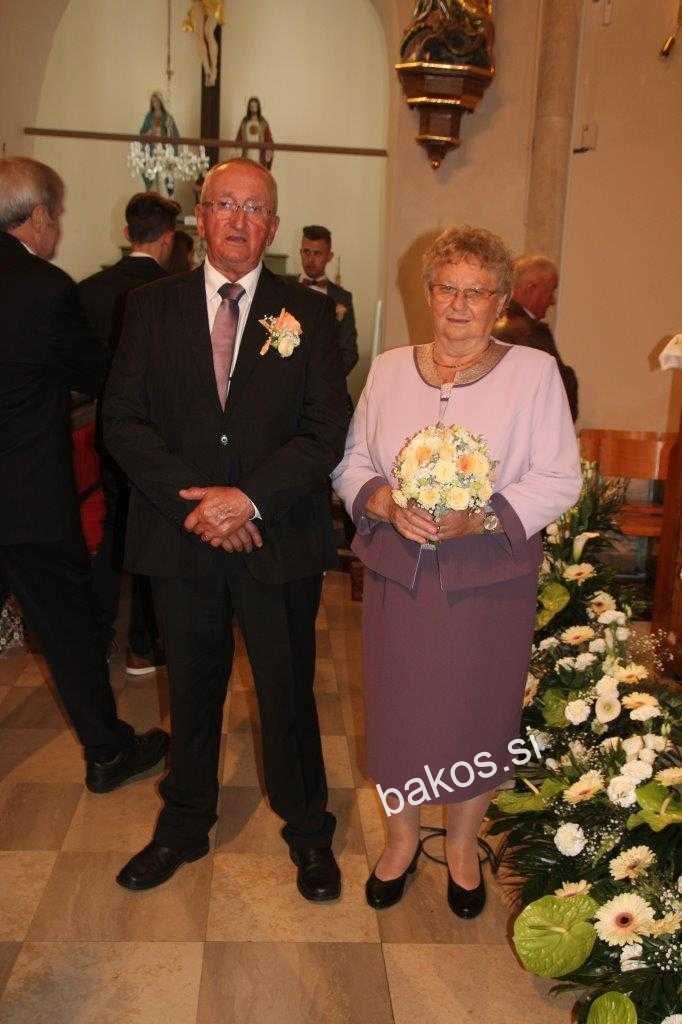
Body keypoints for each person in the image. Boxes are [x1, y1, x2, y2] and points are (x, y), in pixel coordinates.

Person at [103, 158, 350, 895]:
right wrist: (200, 506)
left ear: (273, 227)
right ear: (200, 216)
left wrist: (247, 499)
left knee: (287, 690)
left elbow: (326, 428)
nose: (239, 220)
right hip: (180, 536)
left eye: (255, 209)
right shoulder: (149, 307)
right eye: (225, 205)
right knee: (191, 686)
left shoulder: (309, 314)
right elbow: (124, 421)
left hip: (278, 536)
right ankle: (184, 823)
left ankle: (308, 828)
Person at [332, 226, 581, 918]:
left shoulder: (534, 374)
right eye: (448, 288)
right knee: (398, 712)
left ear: (501, 301)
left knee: (477, 712)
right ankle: (401, 841)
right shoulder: (388, 369)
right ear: (428, 293)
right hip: (400, 575)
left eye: (478, 291)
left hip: (487, 579)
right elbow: (351, 461)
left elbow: (561, 476)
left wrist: (484, 517)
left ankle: (465, 846)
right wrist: (382, 501)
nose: (460, 305)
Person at [0, 156, 168, 791]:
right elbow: (97, 374)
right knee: (68, 628)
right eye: (58, 215)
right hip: (26, 497)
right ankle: (107, 751)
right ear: (39, 215)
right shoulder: (44, 288)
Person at [79, 192, 180, 675]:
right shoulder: (174, 293)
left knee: (113, 527)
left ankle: (97, 636)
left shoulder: (89, 290)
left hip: (107, 428)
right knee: (152, 533)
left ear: (126, 234)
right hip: (159, 437)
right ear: (168, 239)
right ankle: (144, 642)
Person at [494, 253, 579, 421]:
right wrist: (569, 376)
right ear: (531, 288)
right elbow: (555, 389)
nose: (552, 301)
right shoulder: (528, 332)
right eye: (550, 291)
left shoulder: (491, 322)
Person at [299, 225, 359, 377]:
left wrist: (328, 379)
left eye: (317, 253)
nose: (310, 259)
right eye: (306, 252)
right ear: (300, 252)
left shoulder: (342, 298)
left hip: (326, 382)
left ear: (329, 256)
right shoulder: (284, 290)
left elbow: (349, 351)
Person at [236, 97, 274, 170]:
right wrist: (237, 150)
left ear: (258, 107)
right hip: (247, 154)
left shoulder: (263, 122)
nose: (253, 109)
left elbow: (269, 139)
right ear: (249, 107)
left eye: (255, 106)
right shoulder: (244, 122)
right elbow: (239, 138)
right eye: (251, 106)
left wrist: (269, 151)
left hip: (259, 155)